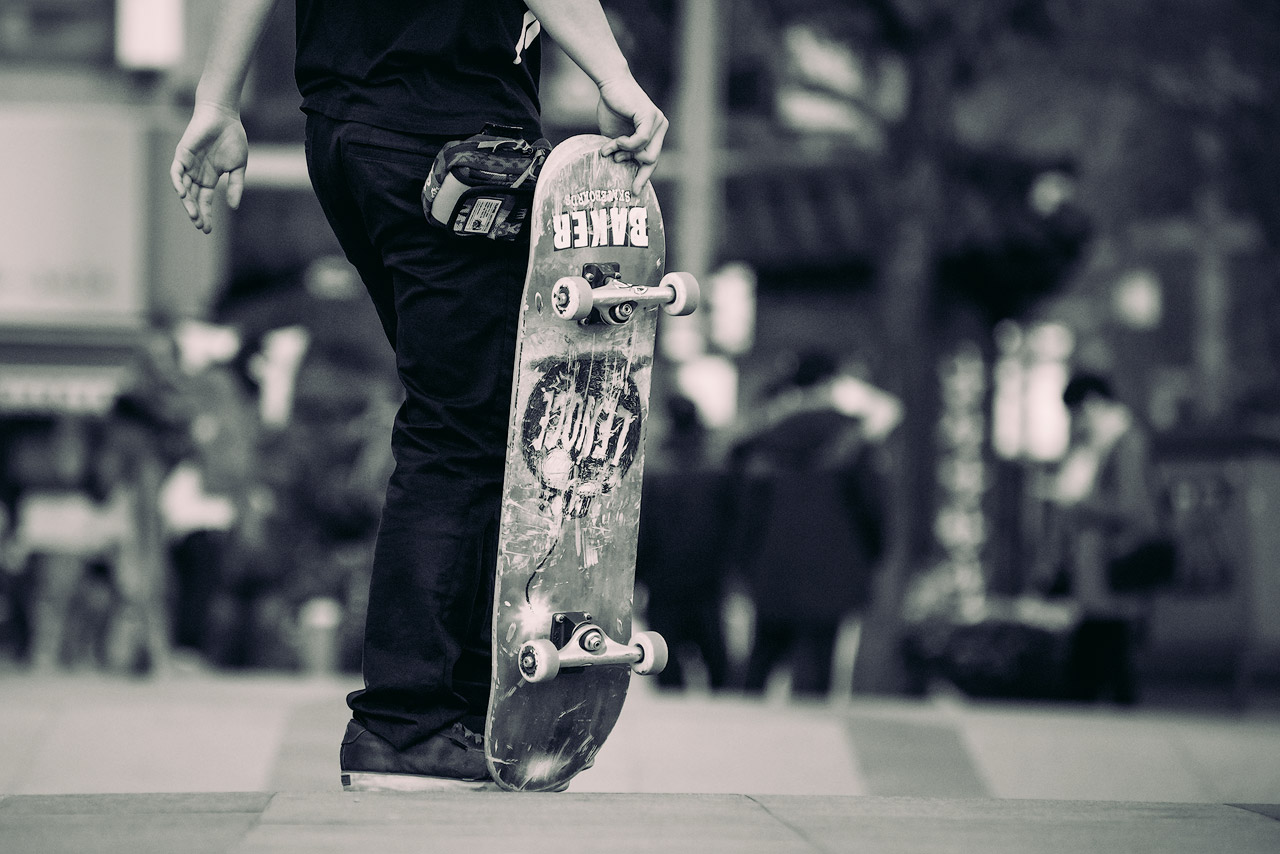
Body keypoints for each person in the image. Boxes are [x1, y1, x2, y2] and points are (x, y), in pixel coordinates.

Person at [171, 0, 668, 791]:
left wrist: (217, 100)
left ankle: (464, 701)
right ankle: (406, 720)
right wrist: (614, 75)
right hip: (447, 134)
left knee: (483, 411)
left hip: (345, 132)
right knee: (462, 424)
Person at [1042, 373, 1170, 703]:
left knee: (1102, 653)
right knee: (1105, 652)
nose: (1075, 423)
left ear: (1093, 404)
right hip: (1098, 573)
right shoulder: (1101, 444)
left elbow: (1132, 506)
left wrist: (1076, 503)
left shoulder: (1124, 443)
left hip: (1112, 566)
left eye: (1076, 413)